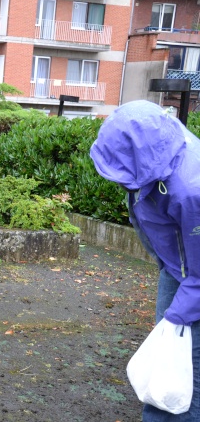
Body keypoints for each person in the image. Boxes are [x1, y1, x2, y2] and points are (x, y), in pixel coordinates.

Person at [90, 100, 200, 421]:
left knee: (183, 373)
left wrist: (178, 318)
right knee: (167, 359)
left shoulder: (192, 192)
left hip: (195, 278)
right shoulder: (157, 142)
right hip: (178, 267)